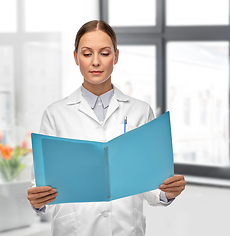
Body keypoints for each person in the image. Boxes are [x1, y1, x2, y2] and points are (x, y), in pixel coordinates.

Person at [27, 20, 186, 236]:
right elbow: (41, 182)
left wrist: (167, 191)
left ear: (116, 56)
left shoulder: (140, 111)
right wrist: (38, 200)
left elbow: (150, 184)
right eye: (86, 53)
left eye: (104, 53)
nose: (95, 62)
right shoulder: (55, 114)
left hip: (126, 229)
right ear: (75, 57)